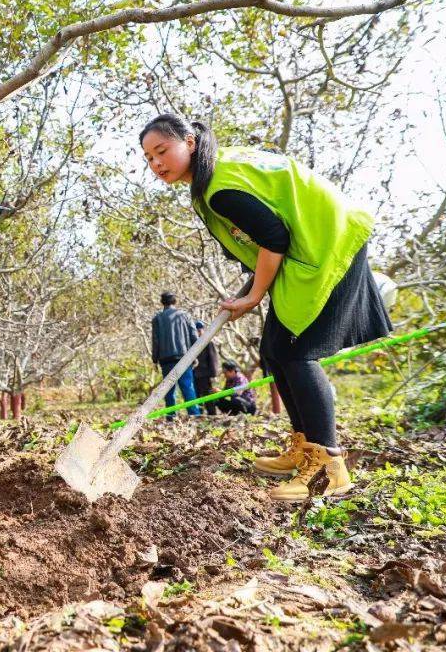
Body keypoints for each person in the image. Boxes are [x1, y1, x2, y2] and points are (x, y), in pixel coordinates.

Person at [140, 113, 392, 501]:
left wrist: (254, 295)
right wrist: (250, 288)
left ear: (188, 142)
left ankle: (329, 468)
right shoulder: (219, 168)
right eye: (149, 159)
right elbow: (263, 236)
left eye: (161, 151)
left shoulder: (220, 188)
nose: (156, 164)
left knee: (297, 354)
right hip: (313, 247)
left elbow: (274, 236)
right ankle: (305, 448)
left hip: (325, 251)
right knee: (273, 350)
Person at [150, 291, 202, 417]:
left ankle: (171, 417)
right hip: (184, 357)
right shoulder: (185, 315)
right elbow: (194, 336)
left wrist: (155, 360)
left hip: (166, 359)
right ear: (175, 301)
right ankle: (194, 415)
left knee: (169, 390)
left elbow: (155, 340)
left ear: (162, 302)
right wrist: (194, 355)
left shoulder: (157, 319)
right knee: (188, 387)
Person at [192, 320, 220, 415]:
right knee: (197, 396)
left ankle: (212, 414)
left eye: (200, 330)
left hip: (206, 374)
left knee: (208, 396)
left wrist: (214, 375)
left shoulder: (208, 342)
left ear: (203, 330)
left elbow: (213, 359)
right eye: (197, 331)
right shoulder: (193, 343)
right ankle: (199, 414)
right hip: (195, 374)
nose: (199, 333)